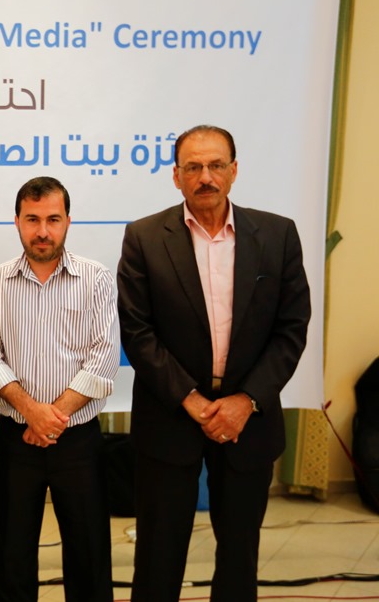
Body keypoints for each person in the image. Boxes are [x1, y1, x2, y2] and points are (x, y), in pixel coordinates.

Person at [117, 125, 311, 601]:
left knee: (240, 558)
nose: (206, 177)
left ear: (234, 170)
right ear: (176, 176)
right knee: (158, 558)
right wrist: (191, 400)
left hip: (249, 422)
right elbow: (138, 332)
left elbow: (291, 329)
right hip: (170, 419)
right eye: (194, 167)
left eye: (216, 165)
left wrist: (246, 400)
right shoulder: (144, 237)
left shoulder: (278, 235)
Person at [0, 176, 118, 602]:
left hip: (79, 441)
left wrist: (51, 417)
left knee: (89, 555)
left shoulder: (95, 278)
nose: (42, 230)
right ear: (17, 221)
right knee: (12, 557)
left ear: (68, 221)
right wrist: (32, 413)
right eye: (32, 219)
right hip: (17, 439)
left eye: (53, 219)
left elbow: (104, 355)